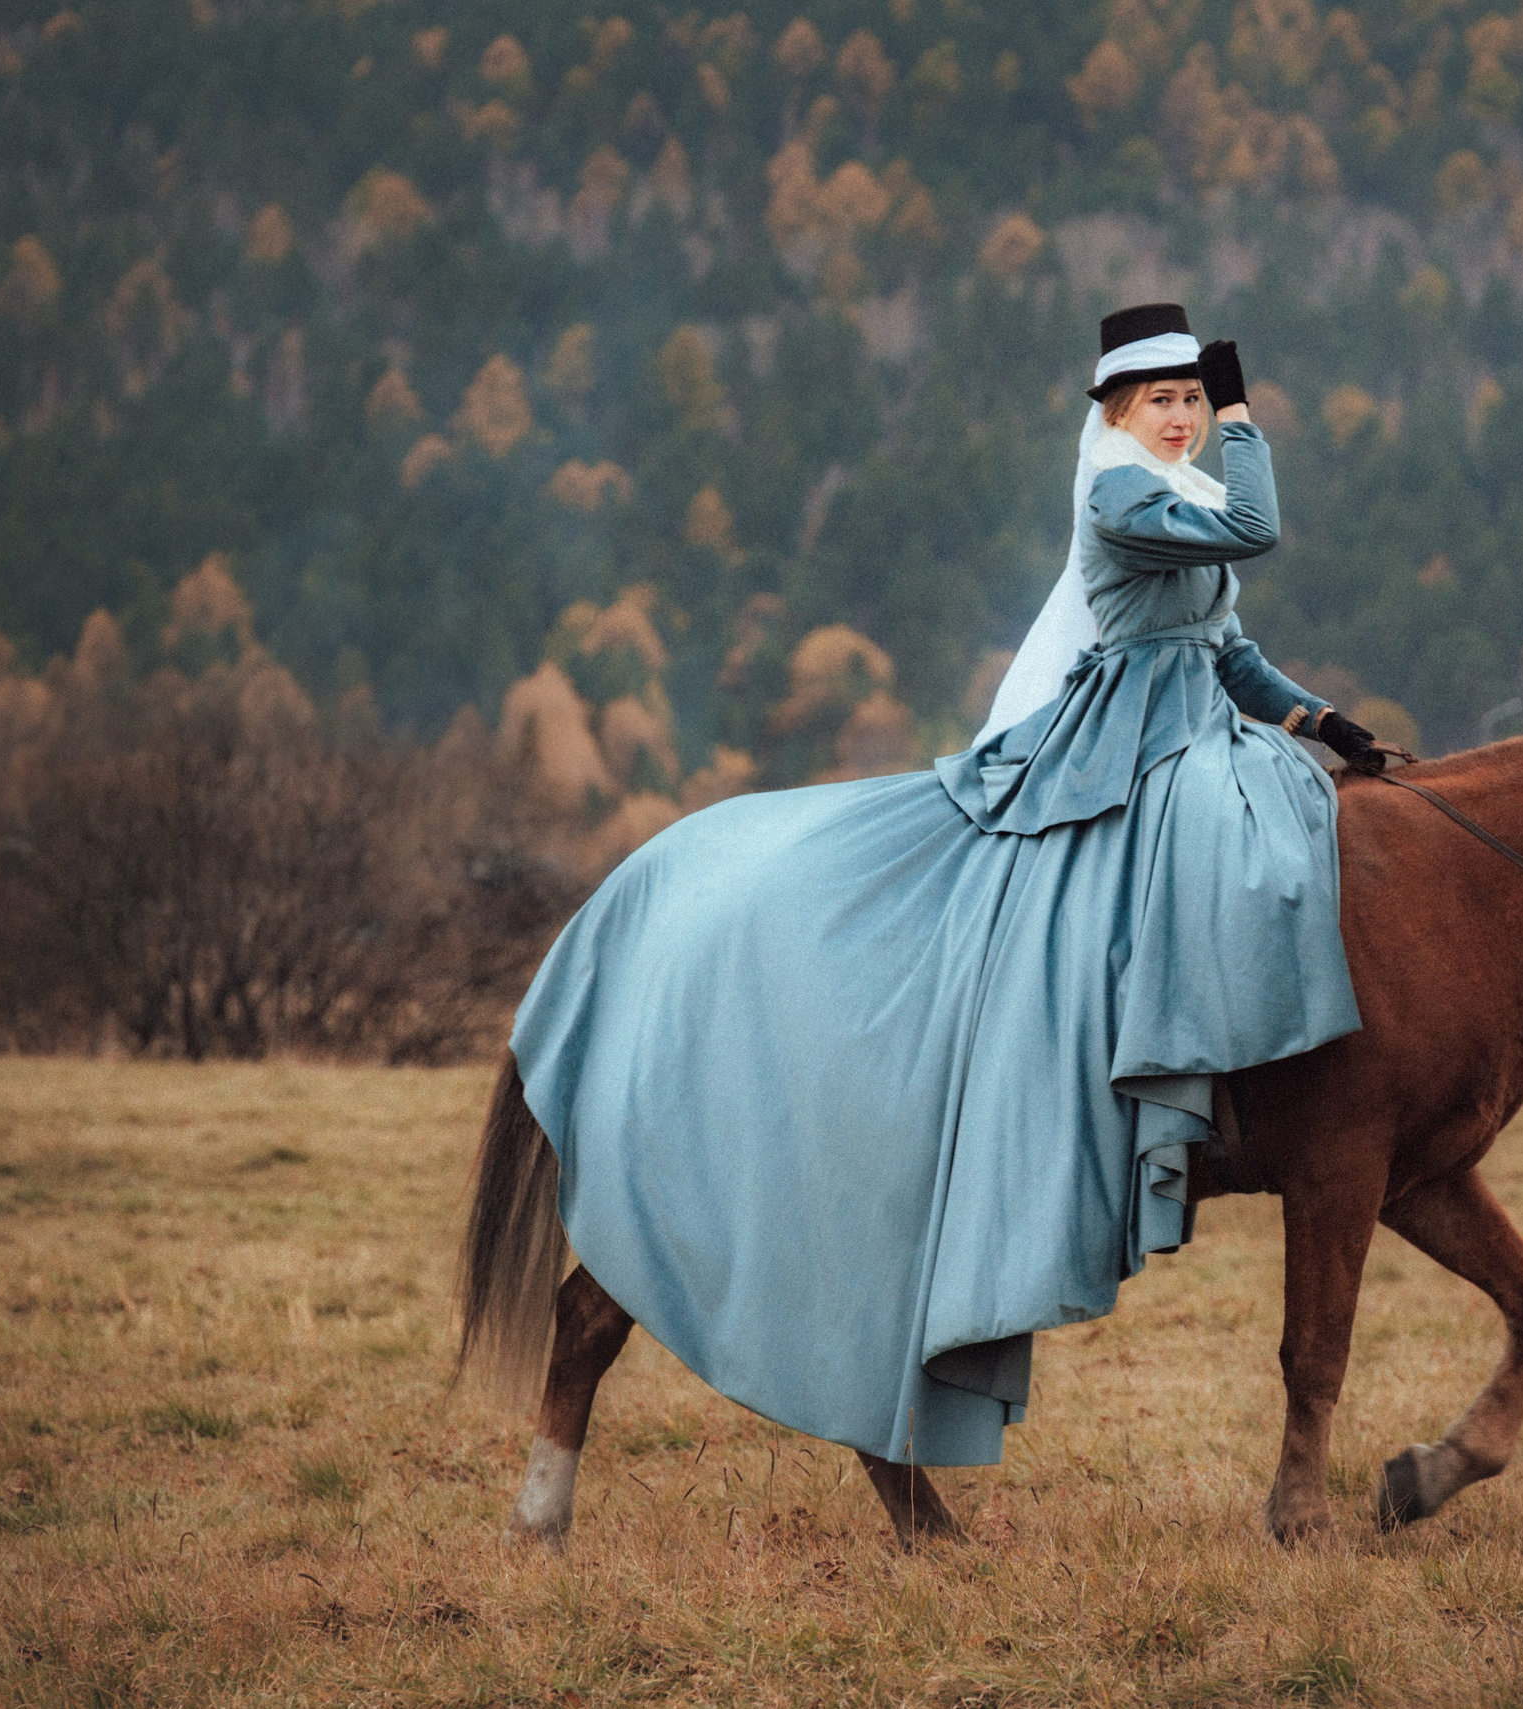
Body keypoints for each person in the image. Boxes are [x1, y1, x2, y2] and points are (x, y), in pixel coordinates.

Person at [506, 304, 1372, 1470]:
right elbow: (1257, 529)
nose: (1182, 418)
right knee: (1213, 831)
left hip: (1199, 725)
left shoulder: (1183, 494)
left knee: (1280, 810)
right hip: (1126, 742)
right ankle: (1137, 1058)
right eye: (1164, 400)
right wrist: (1246, 415)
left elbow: (1226, 651)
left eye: (1191, 401)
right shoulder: (1120, 491)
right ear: (1121, 410)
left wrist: (1321, 720)